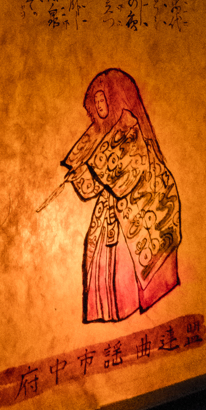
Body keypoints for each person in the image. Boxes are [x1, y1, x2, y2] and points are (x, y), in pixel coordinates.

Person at [61, 69, 181, 323]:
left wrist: (91, 172)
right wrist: (79, 174)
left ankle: (130, 307)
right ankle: (111, 311)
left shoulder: (129, 127)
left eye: (103, 100)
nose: (100, 106)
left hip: (138, 203)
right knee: (100, 255)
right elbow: (94, 184)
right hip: (112, 208)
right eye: (96, 103)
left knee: (131, 255)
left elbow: (126, 172)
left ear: (114, 98)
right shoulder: (100, 133)